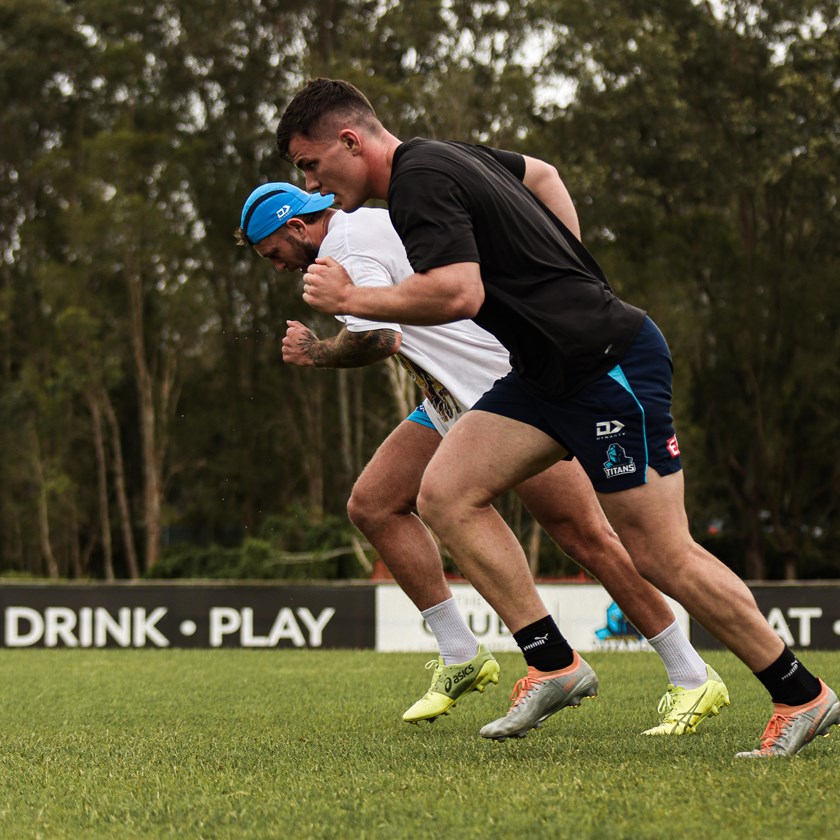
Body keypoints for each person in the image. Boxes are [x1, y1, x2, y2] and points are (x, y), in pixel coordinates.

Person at [273, 79, 840, 757]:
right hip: (541, 375)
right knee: (445, 495)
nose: (313, 183)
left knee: (659, 553)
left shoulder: (418, 180)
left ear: (349, 141)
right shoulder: (447, 155)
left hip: (607, 366)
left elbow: (459, 291)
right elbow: (543, 173)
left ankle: (801, 693)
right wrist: (568, 267)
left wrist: (353, 295)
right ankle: (554, 662)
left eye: (310, 165)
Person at [236, 181, 729, 739]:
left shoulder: (346, 242)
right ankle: (462, 652)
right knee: (374, 504)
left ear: (297, 227)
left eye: (274, 253)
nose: (277, 268)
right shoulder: (354, 232)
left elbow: (379, 340)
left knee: (584, 535)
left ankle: (689, 674)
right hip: (449, 400)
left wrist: (317, 352)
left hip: (503, 392)